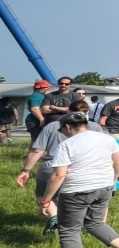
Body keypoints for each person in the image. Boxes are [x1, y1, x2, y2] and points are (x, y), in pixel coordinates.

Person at [40, 112, 119, 248]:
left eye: (62, 129)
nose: (62, 133)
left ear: (68, 127)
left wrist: (46, 200)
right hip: (104, 187)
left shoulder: (67, 145)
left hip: (76, 191)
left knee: (69, 229)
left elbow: (58, 175)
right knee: (95, 222)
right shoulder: (106, 138)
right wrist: (113, 179)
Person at [17, 99, 104, 235]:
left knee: (44, 194)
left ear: (68, 111)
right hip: (84, 168)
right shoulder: (95, 127)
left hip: (51, 166)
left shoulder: (53, 126)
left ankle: (54, 216)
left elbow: (37, 150)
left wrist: (26, 170)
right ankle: (92, 224)